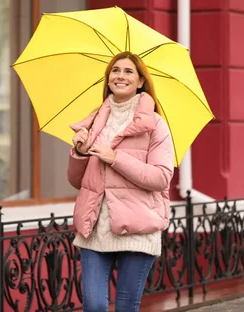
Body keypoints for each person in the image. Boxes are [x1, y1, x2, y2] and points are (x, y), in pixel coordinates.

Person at [67, 51, 175, 312]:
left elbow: (161, 177)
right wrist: (80, 152)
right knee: (93, 306)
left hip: (138, 226)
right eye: (115, 71)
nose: (120, 76)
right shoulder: (94, 122)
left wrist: (115, 158)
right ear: (108, 79)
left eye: (128, 71)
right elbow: (76, 181)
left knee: (126, 306)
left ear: (140, 81)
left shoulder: (155, 125)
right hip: (95, 227)